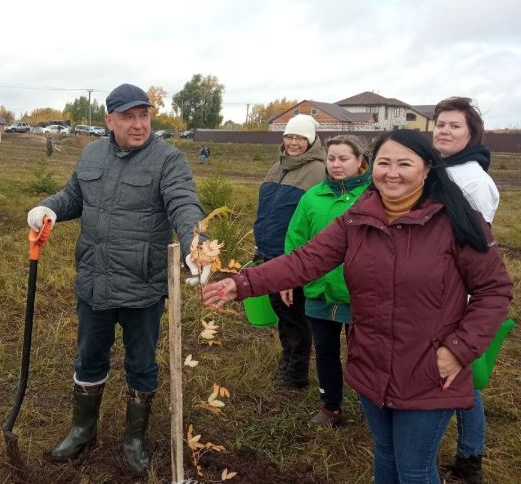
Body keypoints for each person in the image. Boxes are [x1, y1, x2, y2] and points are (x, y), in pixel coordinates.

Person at [202, 129, 512, 483]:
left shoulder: (458, 221)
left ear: (427, 168)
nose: (392, 173)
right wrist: (242, 283)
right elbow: (306, 259)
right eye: (384, 163)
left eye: (404, 164)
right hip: (372, 362)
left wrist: (459, 349)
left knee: (414, 468)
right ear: (372, 167)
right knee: (386, 455)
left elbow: (494, 291)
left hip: (429, 369)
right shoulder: (358, 218)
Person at [26, 83, 206, 474]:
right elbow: (74, 196)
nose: (139, 124)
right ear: (109, 120)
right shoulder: (92, 154)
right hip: (94, 280)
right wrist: (48, 208)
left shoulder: (168, 160)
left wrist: (196, 243)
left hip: (143, 286)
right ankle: (82, 429)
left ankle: (134, 437)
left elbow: (183, 203)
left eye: (144, 115)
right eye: (128, 117)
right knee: (89, 355)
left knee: (141, 363)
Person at [282, 135, 371, 427]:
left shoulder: (373, 196)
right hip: (319, 290)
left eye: (344, 158)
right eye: (331, 158)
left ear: (360, 161)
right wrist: (285, 278)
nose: (336, 164)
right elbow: (296, 239)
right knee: (325, 349)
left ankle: (372, 406)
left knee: (364, 352)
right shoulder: (313, 197)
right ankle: (331, 407)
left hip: (359, 293)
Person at [433, 97, 500, 483]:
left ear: (471, 133)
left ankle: (470, 456)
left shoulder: (471, 180)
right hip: (440, 290)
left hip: (460, 295)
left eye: (454, 126)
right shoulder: (444, 170)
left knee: (461, 374)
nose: (444, 130)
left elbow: (474, 249)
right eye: (440, 124)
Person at [252, 114, 325, 389]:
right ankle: (288, 361)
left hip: (293, 254)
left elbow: (315, 219)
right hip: (271, 250)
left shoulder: (317, 170)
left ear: (311, 140)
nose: (293, 143)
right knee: (282, 311)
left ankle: (297, 374)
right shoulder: (279, 165)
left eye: (299, 138)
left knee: (294, 314)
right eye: (289, 137)